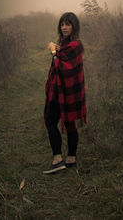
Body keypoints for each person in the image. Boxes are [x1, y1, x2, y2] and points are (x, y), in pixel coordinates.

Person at [43, 12, 86, 174]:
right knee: (69, 123)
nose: (64, 27)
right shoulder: (67, 44)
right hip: (65, 91)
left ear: (74, 26)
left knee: (50, 121)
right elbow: (63, 56)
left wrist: (54, 51)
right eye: (62, 24)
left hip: (64, 92)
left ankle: (57, 159)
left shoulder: (75, 45)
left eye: (68, 24)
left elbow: (61, 66)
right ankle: (71, 159)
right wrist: (58, 49)